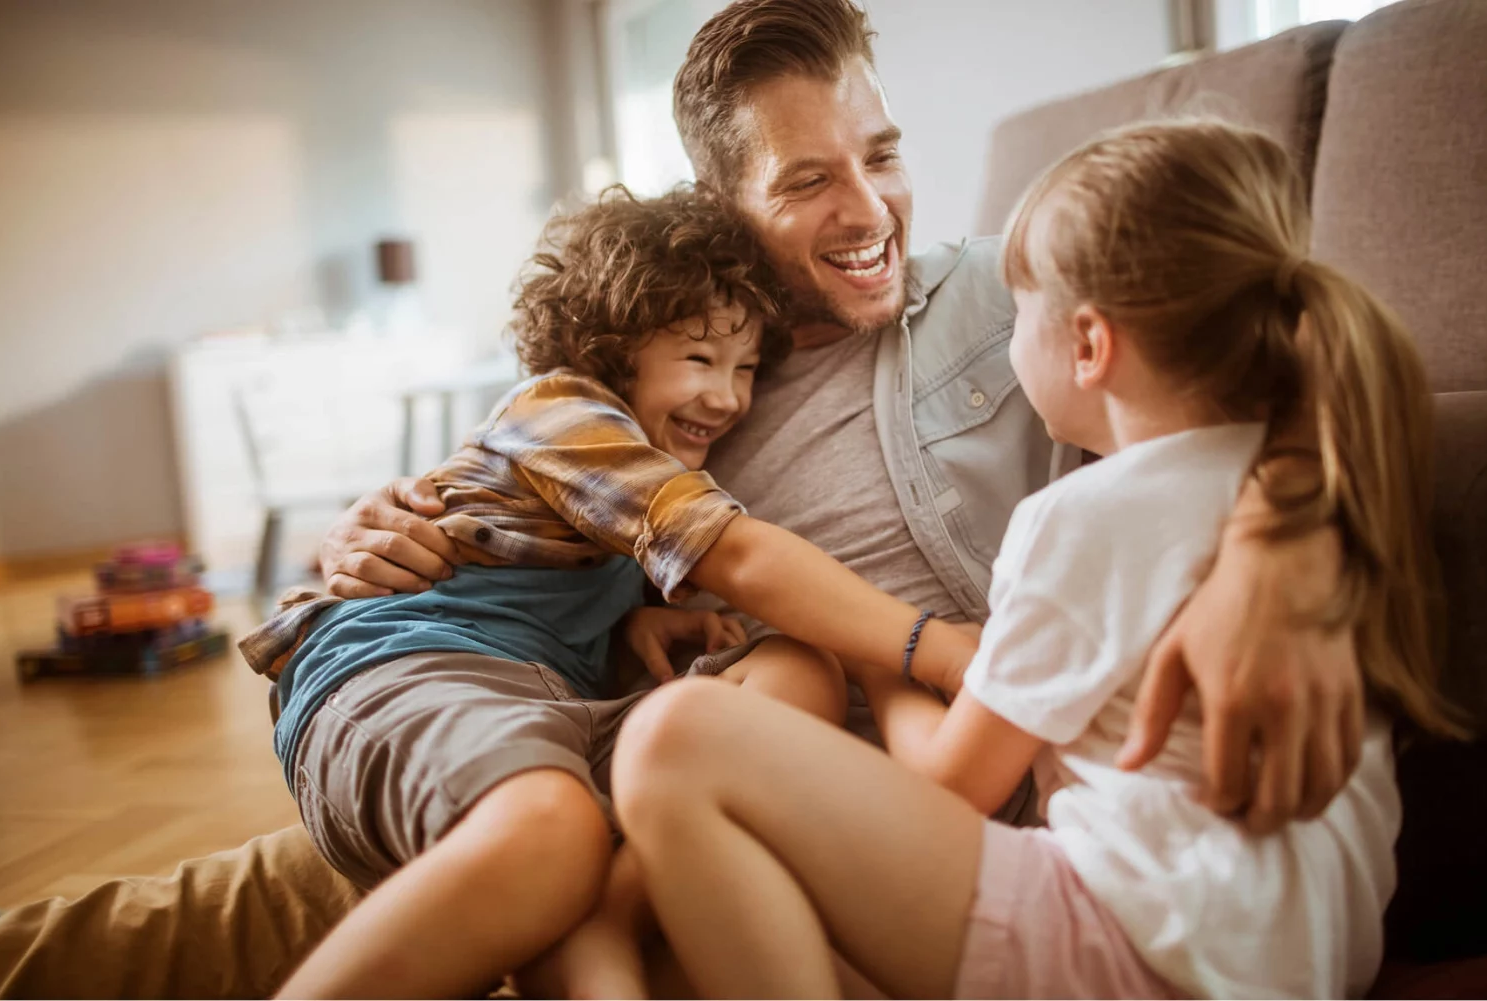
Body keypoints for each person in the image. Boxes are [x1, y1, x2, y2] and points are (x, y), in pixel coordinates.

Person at [0, 2, 1366, 996]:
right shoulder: (676, 383)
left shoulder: (1010, 286)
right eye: (809, 179)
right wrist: (390, 525)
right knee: (190, 923)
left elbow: (1295, 322)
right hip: (601, 743)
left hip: (902, 808)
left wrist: (1277, 546)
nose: (871, 209)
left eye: (881, 153)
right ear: (720, 200)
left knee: (531, 868)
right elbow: (545, 489)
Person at [608, 118, 1464, 999]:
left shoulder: (1086, 518)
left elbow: (949, 787)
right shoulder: (1324, 483)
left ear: (1089, 346)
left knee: (671, 741)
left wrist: (878, 657)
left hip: (1140, 945)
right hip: (1306, 958)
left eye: (1019, 313)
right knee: (719, 936)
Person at [259, 184, 989, 999]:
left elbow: (552, 560)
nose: (730, 397)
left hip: (543, 710)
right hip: (409, 671)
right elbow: (737, 556)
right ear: (611, 345)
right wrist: (929, 642)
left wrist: (629, 619)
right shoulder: (562, 408)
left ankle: (604, 915)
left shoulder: (634, 460)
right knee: (552, 830)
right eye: (700, 359)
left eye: (746, 369)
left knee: (799, 669)